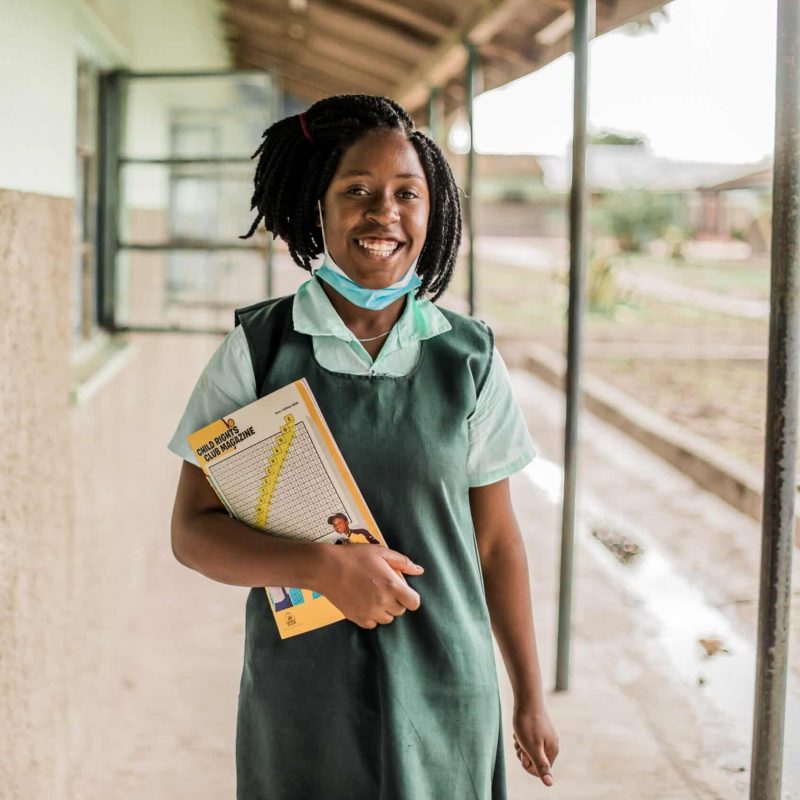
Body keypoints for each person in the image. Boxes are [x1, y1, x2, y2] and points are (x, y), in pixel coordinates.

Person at [169, 94, 558, 800]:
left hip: (446, 685)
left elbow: (497, 544)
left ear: (432, 212)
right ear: (317, 206)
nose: (384, 212)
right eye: (357, 191)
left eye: (407, 194)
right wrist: (319, 566)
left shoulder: (467, 357)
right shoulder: (259, 351)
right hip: (304, 695)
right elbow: (192, 534)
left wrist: (529, 695)